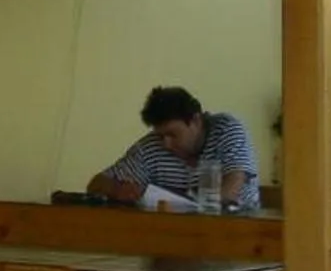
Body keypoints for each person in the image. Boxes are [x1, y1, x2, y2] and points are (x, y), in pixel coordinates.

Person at [89, 85, 260, 213]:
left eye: (173, 134)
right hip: (174, 235)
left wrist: (190, 205)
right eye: (160, 136)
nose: (166, 144)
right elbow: (96, 184)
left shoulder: (226, 130)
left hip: (237, 231)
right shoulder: (152, 145)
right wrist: (117, 189)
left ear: (195, 121)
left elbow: (232, 186)